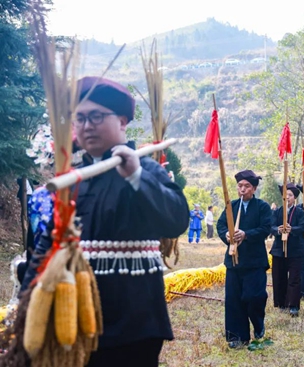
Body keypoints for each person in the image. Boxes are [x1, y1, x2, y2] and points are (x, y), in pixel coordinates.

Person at [21, 76, 190, 367]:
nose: (86, 126)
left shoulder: (146, 169)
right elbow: (47, 247)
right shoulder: (73, 182)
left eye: (96, 117)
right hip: (73, 318)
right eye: (80, 118)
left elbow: (175, 220)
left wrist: (137, 176)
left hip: (134, 324)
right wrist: (25, 306)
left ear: (122, 121)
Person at [216, 170, 271, 349]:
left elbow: (266, 228)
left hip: (255, 260)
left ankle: (258, 323)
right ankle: (236, 336)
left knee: (254, 296)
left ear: (254, 188)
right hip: (234, 260)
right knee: (234, 299)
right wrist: (226, 234)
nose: (243, 189)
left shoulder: (262, 207)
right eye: (240, 186)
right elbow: (221, 225)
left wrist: (246, 234)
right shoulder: (230, 206)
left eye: (247, 186)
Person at [270, 183, 304, 316]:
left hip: (295, 250)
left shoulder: (300, 212)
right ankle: (281, 303)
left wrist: (292, 229)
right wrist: (277, 230)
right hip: (279, 249)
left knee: (294, 278)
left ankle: (293, 305)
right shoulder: (277, 211)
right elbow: (270, 226)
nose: (287, 197)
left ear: (294, 198)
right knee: (279, 276)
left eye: (290, 195)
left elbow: (303, 227)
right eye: (285, 195)